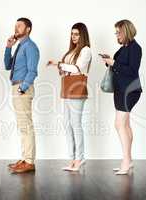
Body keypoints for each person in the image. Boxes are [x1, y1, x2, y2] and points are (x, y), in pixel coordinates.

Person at [47, 23, 92, 171]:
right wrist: (59, 66)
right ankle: (72, 159)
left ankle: (80, 158)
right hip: (67, 89)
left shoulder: (86, 50)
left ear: (83, 35)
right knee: (67, 124)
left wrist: (60, 65)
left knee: (75, 124)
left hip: (77, 89)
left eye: (77, 34)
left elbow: (77, 69)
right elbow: (67, 71)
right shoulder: (71, 52)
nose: (74, 36)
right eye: (72, 34)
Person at [101, 19, 142, 175]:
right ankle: (129, 160)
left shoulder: (135, 48)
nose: (116, 35)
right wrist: (109, 61)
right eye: (115, 32)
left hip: (129, 91)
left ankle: (125, 161)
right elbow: (118, 64)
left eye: (119, 32)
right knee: (125, 125)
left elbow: (132, 71)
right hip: (121, 90)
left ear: (126, 31)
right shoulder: (123, 48)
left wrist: (113, 62)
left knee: (119, 124)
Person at [4, 18, 40, 173]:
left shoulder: (30, 47)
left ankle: (29, 161)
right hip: (17, 87)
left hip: (22, 88)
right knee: (22, 125)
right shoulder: (19, 46)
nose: (16, 28)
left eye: (19, 26)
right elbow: (7, 65)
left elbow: (33, 71)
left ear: (28, 29)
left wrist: (23, 88)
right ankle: (25, 158)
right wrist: (8, 48)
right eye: (15, 26)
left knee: (26, 125)